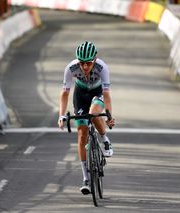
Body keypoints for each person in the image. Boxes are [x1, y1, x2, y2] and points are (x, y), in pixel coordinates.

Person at [58, 41, 115, 195]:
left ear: (95, 60)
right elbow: (65, 93)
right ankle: (86, 178)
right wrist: (62, 115)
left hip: (97, 93)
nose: (84, 67)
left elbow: (107, 94)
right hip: (80, 95)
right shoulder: (71, 68)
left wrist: (109, 114)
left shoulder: (102, 68)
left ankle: (104, 139)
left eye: (88, 63)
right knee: (82, 134)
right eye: (82, 63)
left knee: (94, 112)